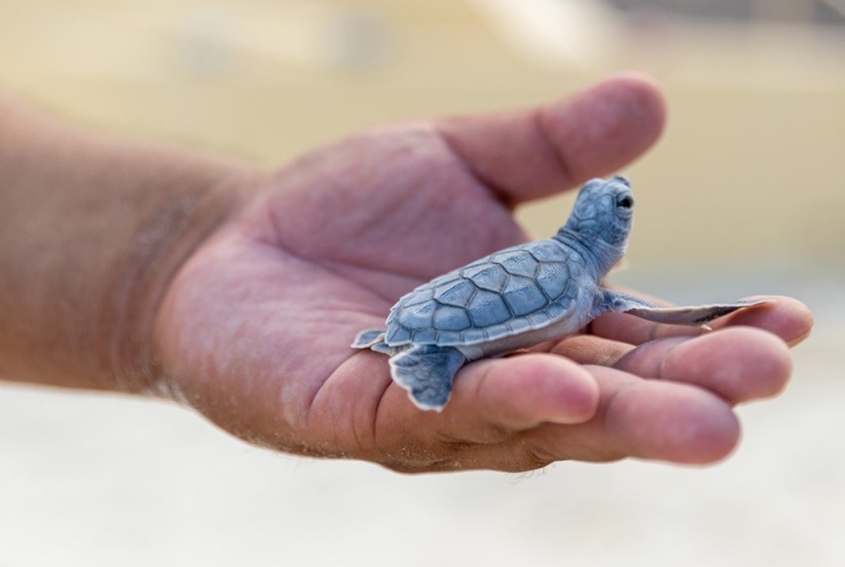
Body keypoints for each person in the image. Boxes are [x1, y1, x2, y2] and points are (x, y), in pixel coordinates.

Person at [0, 73, 812, 473]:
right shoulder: (580, 288)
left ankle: (408, 340)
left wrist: (170, 255)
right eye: (618, 207)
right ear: (605, 234)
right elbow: (624, 310)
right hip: (439, 321)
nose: (621, 206)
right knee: (462, 352)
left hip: (421, 305)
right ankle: (423, 353)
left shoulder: (577, 277)